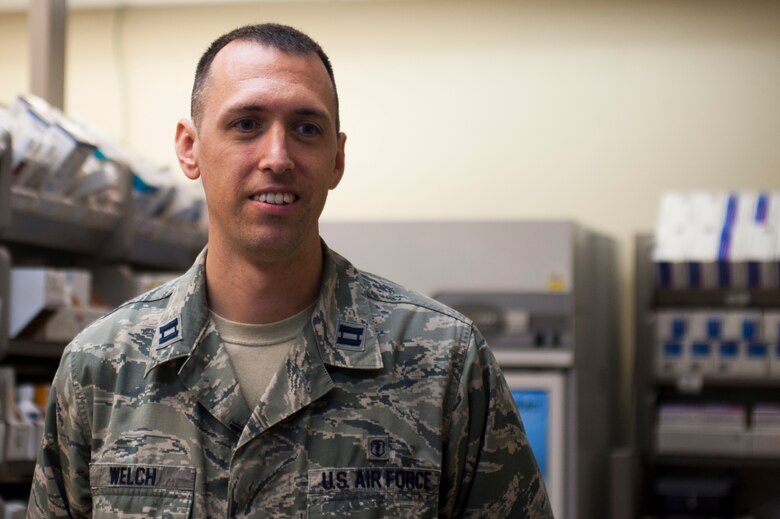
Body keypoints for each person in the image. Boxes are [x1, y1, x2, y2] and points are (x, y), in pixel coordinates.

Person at [28, 23, 553, 518]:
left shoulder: (445, 362)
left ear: (337, 159)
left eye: (306, 128)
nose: (277, 156)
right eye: (246, 124)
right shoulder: (102, 365)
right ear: (190, 148)